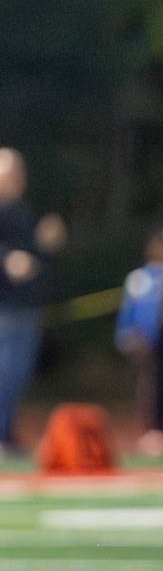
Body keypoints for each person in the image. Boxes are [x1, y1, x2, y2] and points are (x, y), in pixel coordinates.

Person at [0, 149, 65, 456]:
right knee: (5, 371)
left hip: (27, 305)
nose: (13, 180)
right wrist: (6, 259)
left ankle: (6, 434)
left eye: (16, 174)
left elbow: (33, 258)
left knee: (18, 374)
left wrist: (44, 243)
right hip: (4, 306)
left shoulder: (23, 212)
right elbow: (12, 257)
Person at [114, 233, 163, 456]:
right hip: (143, 341)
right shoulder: (139, 277)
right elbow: (129, 310)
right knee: (148, 385)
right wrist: (127, 334)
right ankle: (149, 430)